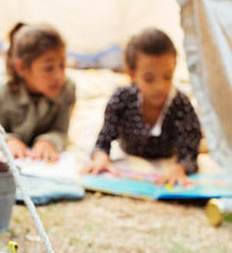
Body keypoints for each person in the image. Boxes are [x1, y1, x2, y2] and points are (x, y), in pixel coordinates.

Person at [85, 28, 201, 186]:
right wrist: (101, 157)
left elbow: (190, 151)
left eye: (167, 77)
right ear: (132, 74)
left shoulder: (181, 104)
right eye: (149, 79)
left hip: (167, 156)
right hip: (129, 152)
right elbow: (103, 140)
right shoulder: (121, 99)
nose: (160, 86)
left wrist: (180, 167)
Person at [0, 22, 76, 162]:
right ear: (22, 67)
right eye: (48, 68)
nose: (59, 76)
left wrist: (49, 141)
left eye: (62, 65)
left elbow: (61, 131)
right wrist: (7, 141)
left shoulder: (67, 89)